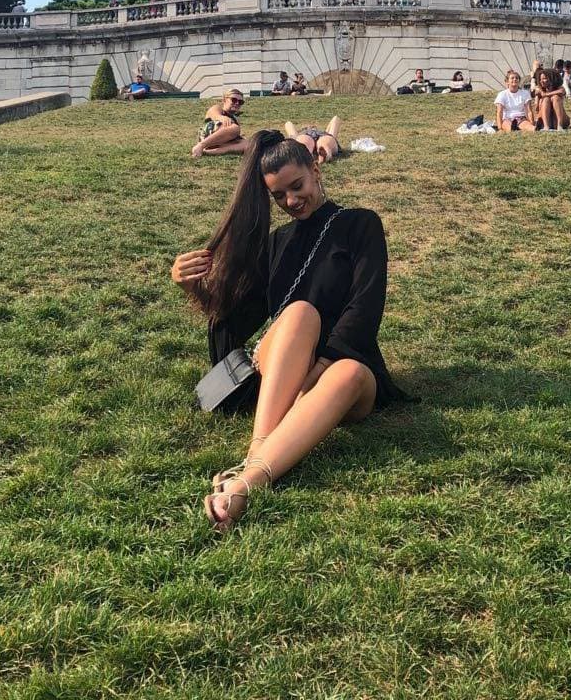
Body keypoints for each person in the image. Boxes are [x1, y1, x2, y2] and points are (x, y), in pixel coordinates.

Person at [171, 130, 409, 532]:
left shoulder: (360, 225)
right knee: (299, 314)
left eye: (297, 186)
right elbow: (235, 321)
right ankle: (252, 472)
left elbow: (365, 308)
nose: (291, 201)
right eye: (279, 196)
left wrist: (318, 371)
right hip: (286, 369)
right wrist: (192, 285)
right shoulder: (277, 242)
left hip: (342, 366)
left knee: (348, 370)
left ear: (316, 170)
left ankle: (249, 471)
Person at [192, 89, 247, 159]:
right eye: (234, 100)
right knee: (235, 128)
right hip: (209, 137)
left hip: (224, 142)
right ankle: (201, 146)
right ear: (224, 100)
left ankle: (208, 152)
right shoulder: (218, 108)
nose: (237, 103)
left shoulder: (236, 119)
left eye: (240, 102)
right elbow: (214, 113)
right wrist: (221, 117)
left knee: (250, 144)